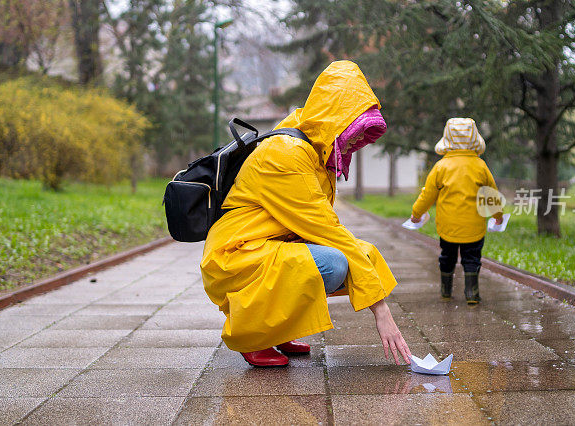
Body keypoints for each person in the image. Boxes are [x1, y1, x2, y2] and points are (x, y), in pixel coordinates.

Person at [200, 60, 412, 367]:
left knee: (365, 255)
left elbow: (321, 229)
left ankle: (278, 327)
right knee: (335, 263)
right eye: (355, 128)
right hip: (237, 253)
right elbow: (327, 230)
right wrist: (382, 312)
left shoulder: (314, 150)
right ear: (335, 116)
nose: (356, 141)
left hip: (267, 246)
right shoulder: (287, 154)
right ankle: (254, 334)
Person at [410, 118, 503, 304]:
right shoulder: (480, 166)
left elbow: (427, 195)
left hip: (448, 225)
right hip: (474, 225)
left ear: (447, 138)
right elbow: (491, 195)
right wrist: (498, 217)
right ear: (475, 138)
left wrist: (416, 213)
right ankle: (472, 293)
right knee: (472, 258)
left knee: (447, 256)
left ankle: (446, 290)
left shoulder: (441, 167)